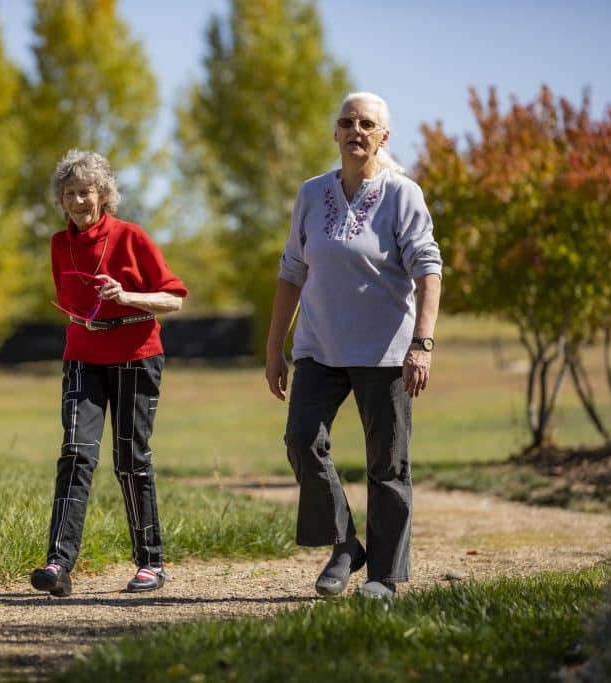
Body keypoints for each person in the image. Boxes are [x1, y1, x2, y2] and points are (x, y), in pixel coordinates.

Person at [264, 92, 442, 600]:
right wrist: (275, 347)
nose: (355, 130)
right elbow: (291, 272)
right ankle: (345, 543)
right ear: (335, 132)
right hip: (318, 347)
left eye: (367, 124)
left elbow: (428, 270)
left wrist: (422, 344)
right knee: (301, 440)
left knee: (387, 465)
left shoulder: (402, 195)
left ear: (383, 136)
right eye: (347, 121)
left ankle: (383, 576)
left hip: (385, 352)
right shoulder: (311, 194)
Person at [30, 149, 187, 597]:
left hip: (137, 352)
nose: (79, 201)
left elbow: (175, 299)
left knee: (130, 459)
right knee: (76, 453)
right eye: (70, 194)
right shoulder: (59, 244)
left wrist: (127, 297)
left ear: (104, 195)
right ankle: (58, 565)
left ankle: (151, 562)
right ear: (61, 200)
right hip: (83, 355)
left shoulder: (131, 236)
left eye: (87, 192)